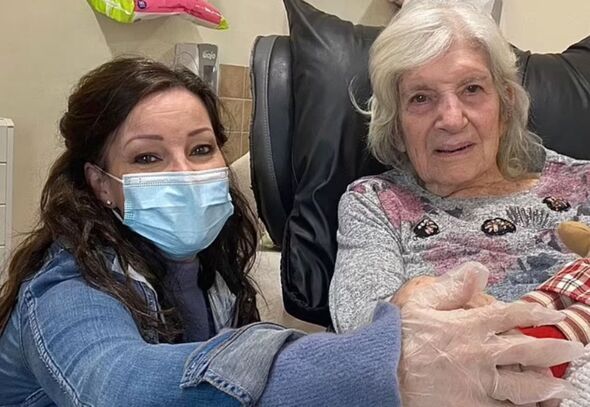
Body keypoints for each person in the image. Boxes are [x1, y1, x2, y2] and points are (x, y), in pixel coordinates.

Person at [0, 57, 581, 407]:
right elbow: (118, 388)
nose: (187, 174)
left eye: (200, 150)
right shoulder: (66, 289)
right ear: (100, 184)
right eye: (148, 158)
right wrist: (386, 361)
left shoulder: (210, 271)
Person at [328, 0, 590, 395]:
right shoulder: (376, 203)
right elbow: (366, 337)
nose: (451, 119)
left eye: (472, 89)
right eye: (421, 98)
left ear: (505, 103)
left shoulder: (582, 181)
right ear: (396, 124)